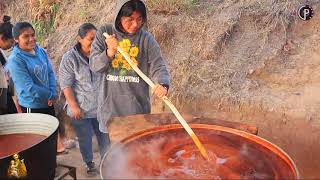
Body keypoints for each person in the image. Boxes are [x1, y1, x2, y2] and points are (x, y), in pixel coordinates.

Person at [90, 0, 170, 133]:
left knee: (136, 151)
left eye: (139, 19)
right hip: (110, 112)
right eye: (130, 19)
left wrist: (163, 84)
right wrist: (109, 52)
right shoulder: (106, 33)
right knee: (112, 153)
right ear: (119, 16)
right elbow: (94, 66)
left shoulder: (146, 39)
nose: (135, 25)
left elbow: (158, 64)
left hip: (137, 112)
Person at [5, 22, 57, 179]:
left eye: (32, 35)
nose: (31, 39)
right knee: (37, 147)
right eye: (25, 36)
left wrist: (53, 92)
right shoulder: (15, 60)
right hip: (33, 108)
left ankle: (50, 172)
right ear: (16, 39)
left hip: (49, 103)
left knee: (51, 142)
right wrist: (49, 96)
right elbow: (29, 88)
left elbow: (50, 72)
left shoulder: (40, 50)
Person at [59, 23, 110, 176]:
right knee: (85, 138)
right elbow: (66, 85)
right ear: (79, 39)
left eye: (97, 39)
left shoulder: (103, 55)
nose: (95, 43)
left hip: (102, 107)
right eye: (91, 39)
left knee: (105, 137)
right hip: (81, 110)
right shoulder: (70, 58)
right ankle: (89, 164)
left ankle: (105, 162)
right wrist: (74, 106)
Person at [0, 15, 20, 114]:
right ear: (2, 38)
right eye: (11, 42)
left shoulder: (2, 53)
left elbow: (8, 73)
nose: (12, 45)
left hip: (5, 95)